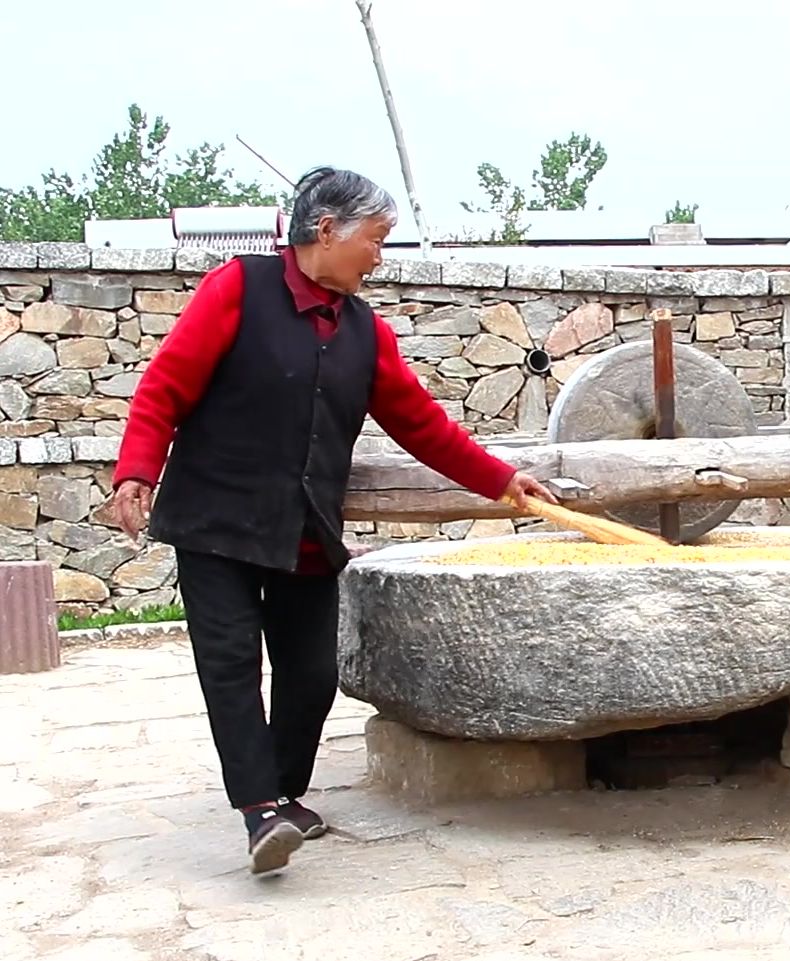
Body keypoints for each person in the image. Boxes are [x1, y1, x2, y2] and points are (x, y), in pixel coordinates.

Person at [111, 167, 555, 874]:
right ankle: (260, 809)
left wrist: (500, 480)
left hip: (304, 529)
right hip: (215, 521)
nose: (380, 255)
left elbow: (421, 424)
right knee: (229, 668)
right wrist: (136, 468)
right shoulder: (237, 288)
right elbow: (165, 384)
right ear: (327, 230)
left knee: (313, 673)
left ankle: (282, 792)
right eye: (375, 240)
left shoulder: (364, 331)